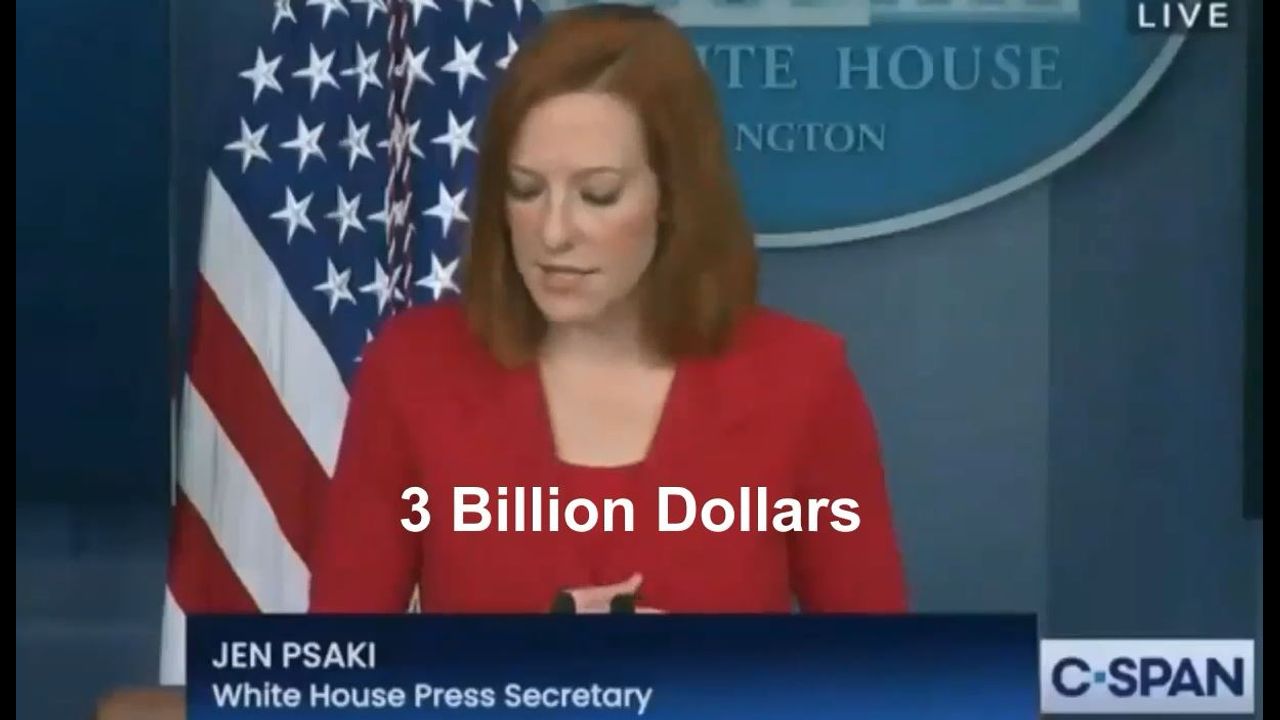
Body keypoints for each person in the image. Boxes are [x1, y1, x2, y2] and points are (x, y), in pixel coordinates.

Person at [308, 4, 907, 614]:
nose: (553, 232)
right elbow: (337, 662)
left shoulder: (803, 382)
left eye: (598, 194)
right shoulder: (413, 371)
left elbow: (880, 666)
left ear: (672, 196)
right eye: (525, 189)